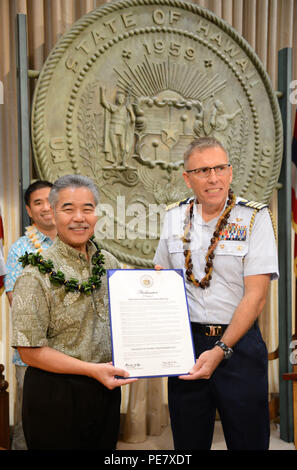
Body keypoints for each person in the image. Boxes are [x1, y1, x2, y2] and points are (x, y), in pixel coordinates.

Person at [154, 136, 278, 450]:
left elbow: (256, 296)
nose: (213, 178)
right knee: (188, 441)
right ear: (187, 178)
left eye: (219, 168)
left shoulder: (254, 218)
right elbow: (162, 280)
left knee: (248, 441)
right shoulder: (173, 217)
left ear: (230, 172)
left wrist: (221, 348)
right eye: (202, 170)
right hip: (189, 346)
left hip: (239, 346)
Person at [11, 174, 137, 450]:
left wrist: (159, 290)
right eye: (68, 209)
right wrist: (91, 370)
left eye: (87, 208)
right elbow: (28, 350)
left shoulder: (109, 262)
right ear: (53, 213)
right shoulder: (35, 274)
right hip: (55, 395)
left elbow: (127, 315)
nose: (79, 217)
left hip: (104, 391)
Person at [5, 180, 56, 450]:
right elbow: (18, 302)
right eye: (38, 202)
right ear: (29, 210)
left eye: (51, 200)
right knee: (31, 424)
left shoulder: (79, 243)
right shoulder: (20, 250)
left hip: (74, 354)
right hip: (33, 353)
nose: (46, 207)